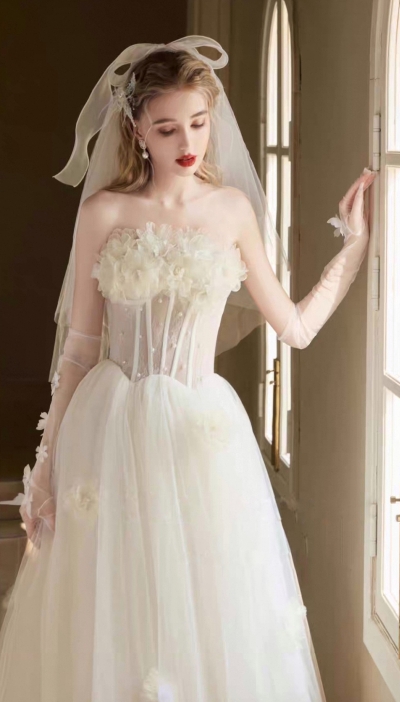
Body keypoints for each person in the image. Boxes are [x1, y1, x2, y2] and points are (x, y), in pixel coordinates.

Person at [0, 35, 376, 701]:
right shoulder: (104, 212)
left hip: (200, 434)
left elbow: (294, 327)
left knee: (206, 608)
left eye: (198, 123)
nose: (187, 143)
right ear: (136, 129)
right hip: (109, 429)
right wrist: (47, 464)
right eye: (167, 127)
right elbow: (80, 350)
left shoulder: (230, 211)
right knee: (111, 606)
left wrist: (352, 247)